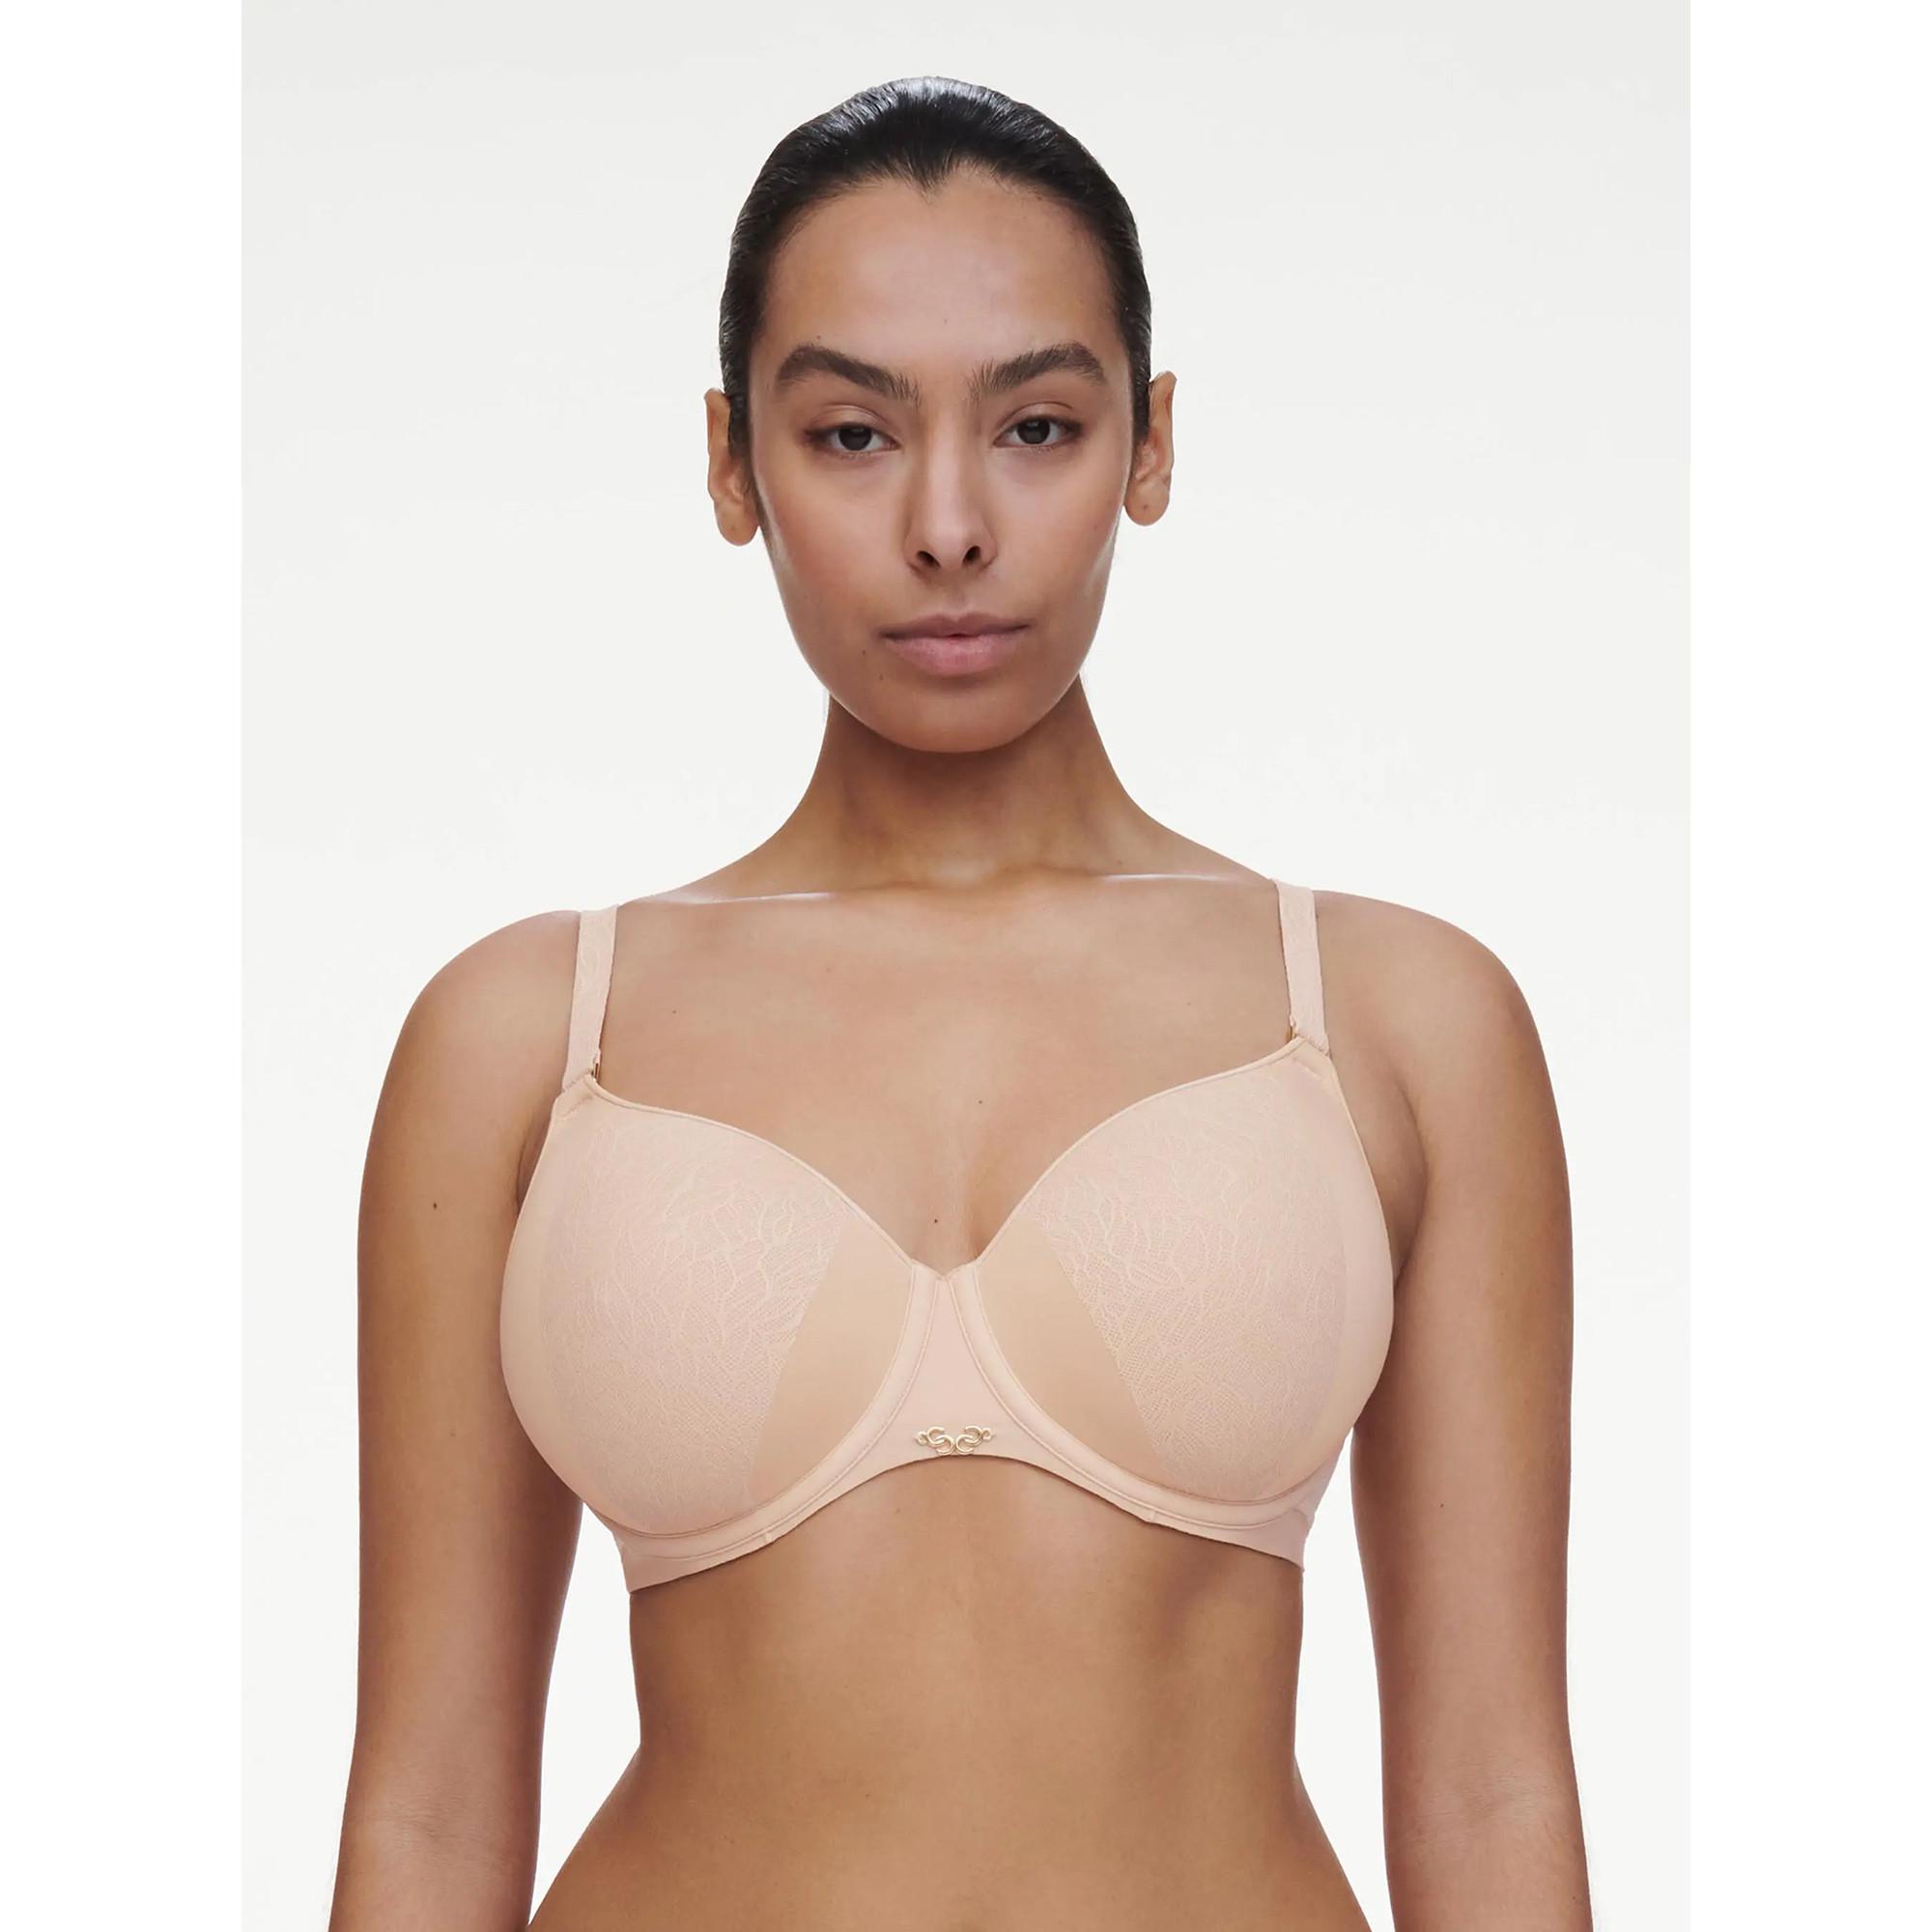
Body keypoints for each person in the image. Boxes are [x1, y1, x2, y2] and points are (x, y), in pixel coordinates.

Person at [327, 74, 1590, 1932]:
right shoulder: (526, 1040)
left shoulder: (1400, 1023)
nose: (947, 526)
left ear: (1152, 445)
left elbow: (1492, 1788)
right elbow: (429, 1813)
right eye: (850, 433)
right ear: (731, 464)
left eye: (1038, 426)